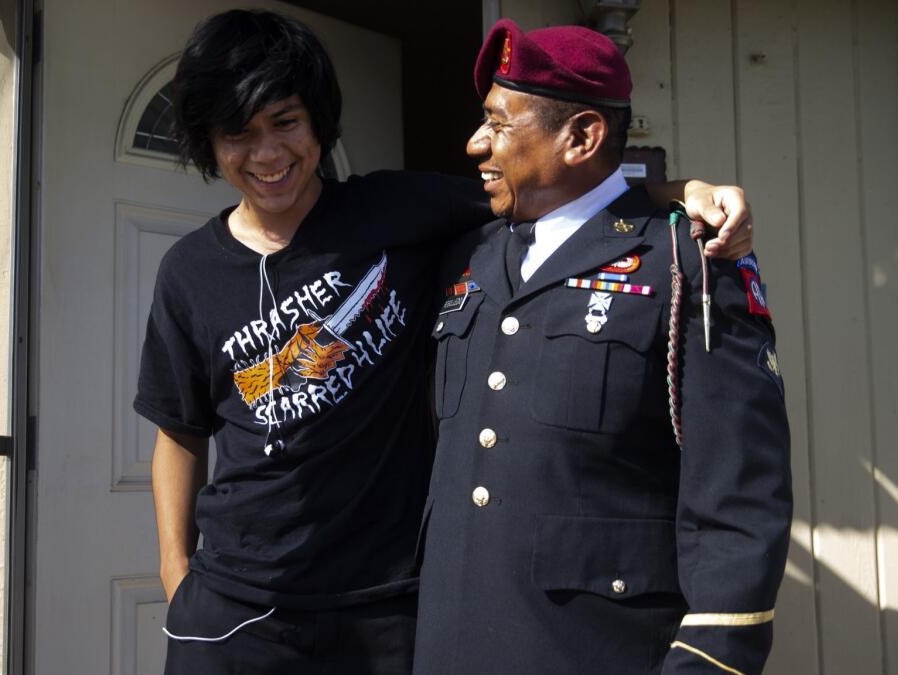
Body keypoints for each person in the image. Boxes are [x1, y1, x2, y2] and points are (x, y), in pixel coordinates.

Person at [134, 9, 758, 674]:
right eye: (238, 134)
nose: (266, 154)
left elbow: (552, 195)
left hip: (383, 607)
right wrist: (177, 573)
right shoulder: (188, 273)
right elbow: (178, 431)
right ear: (210, 143)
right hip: (234, 608)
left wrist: (677, 191)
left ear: (316, 120)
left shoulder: (401, 210)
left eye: (285, 122)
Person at [413, 19, 792, 675]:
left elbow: (739, 497)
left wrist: (709, 661)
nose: (476, 143)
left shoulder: (683, 261)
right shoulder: (466, 253)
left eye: (499, 124)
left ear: (582, 136)